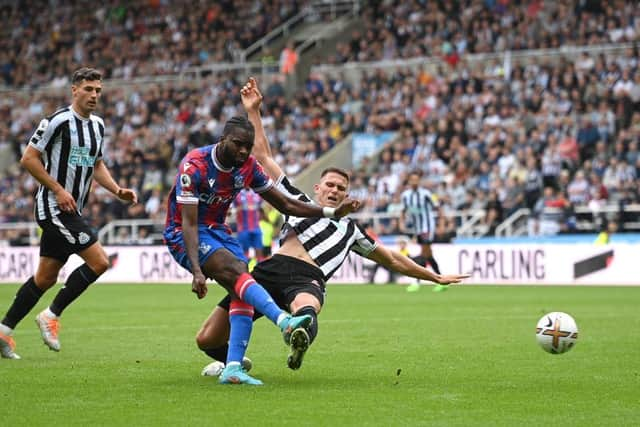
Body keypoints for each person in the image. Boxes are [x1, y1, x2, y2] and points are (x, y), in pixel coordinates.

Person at [197, 78, 468, 376]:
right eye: (330, 184)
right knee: (207, 338)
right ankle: (235, 360)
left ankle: (297, 337)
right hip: (270, 269)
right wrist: (254, 111)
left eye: (341, 187)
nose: (335, 190)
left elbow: (392, 259)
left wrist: (434, 277)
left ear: (346, 194)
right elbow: (263, 157)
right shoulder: (296, 201)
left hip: (308, 278)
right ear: (318, 187)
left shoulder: (352, 231)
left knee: (306, 310)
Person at [163, 109, 361, 385]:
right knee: (235, 271)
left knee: (241, 279)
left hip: (219, 231)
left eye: (248, 145)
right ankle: (283, 321)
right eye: (238, 145)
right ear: (223, 139)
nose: (244, 151)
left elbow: (286, 204)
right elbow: (188, 223)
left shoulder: (247, 166)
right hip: (185, 232)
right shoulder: (194, 164)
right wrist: (196, 270)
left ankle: (232, 367)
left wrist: (332, 213)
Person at [0, 67, 138, 360]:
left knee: (45, 278)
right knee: (100, 262)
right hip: (53, 208)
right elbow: (29, 159)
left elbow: (96, 163)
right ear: (74, 89)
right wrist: (59, 189)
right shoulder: (57, 122)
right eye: (88, 89)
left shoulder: (97, 126)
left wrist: (116, 190)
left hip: (72, 209)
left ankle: (3, 331)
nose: (94, 95)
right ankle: (50, 315)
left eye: (98, 90)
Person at [400, 171, 444, 292]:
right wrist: (401, 222)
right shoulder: (406, 195)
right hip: (418, 228)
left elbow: (438, 207)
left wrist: (442, 224)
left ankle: (416, 282)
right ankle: (442, 280)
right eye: (412, 179)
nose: (414, 182)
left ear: (419, 181)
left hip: (428, 227)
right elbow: (403, 210)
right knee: (428, 255)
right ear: (409, 181)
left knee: (424, 253)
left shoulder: (425, 194)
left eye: (416, 179)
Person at [232, 188, 264, 269]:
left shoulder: (257, 194)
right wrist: (239, 209)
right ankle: (244, 272)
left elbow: (260, 209)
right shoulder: (237, 194)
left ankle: (260, 272)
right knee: (244, 254)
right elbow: (231, 211)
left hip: (256, 227)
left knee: (259, 252)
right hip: (243, 229)